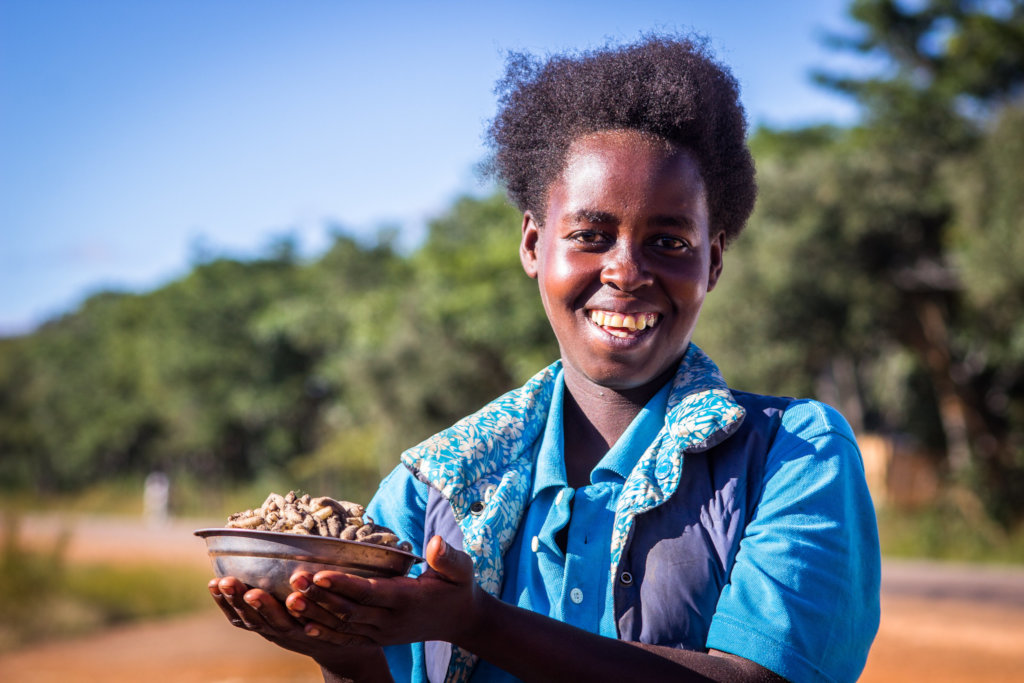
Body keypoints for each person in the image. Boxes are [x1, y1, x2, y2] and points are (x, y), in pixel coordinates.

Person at [210, 35, 881, 683]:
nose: (625, 271)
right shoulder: (433, 488)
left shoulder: (790, 454)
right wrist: (345, 655)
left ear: (713, 261)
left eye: (670, 242)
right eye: (590, 234)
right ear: (534, 245)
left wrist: (480, 623)